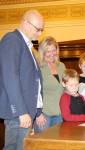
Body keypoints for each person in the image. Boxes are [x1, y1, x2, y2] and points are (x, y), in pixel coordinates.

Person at [0, 9, 44, 150]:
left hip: (26, 112)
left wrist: (37, 111)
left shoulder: (27, 46)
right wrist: (21, 111)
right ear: (25, 23)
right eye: (37, 29)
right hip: (19, 114)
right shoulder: (12, 40)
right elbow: (10, 77)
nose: (39, 34)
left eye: (41, 30)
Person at [34, 36, 66, 132]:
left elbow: (66, 88)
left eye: (54, 50)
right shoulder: (38, 67)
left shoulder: (62, 66)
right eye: (48, 51)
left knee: (57, 145)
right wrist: (38, 113)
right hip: (44, 115)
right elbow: (33, 92)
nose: (52, 54)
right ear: (42, 52)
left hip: (60, 114)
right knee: (41, 145)